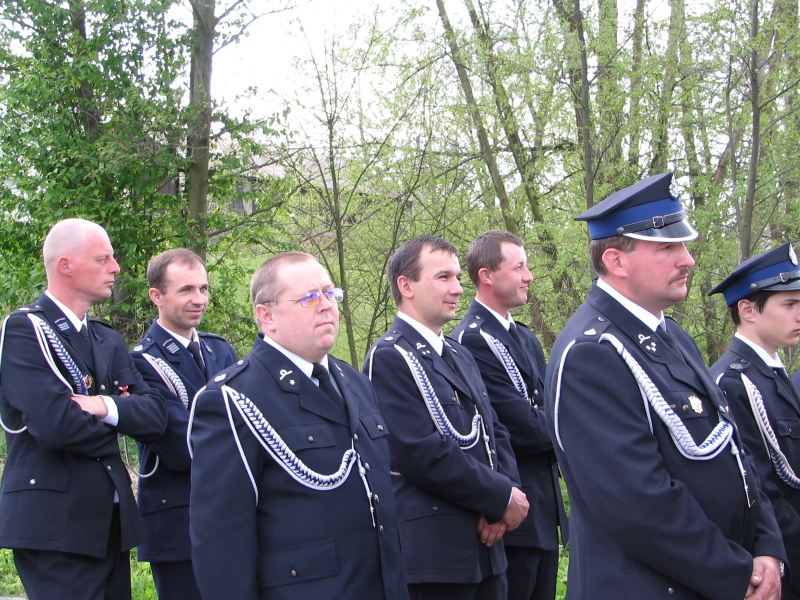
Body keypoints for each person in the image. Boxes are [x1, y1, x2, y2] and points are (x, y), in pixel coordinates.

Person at [544, 173, 785, 599]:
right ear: (616, 261)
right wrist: (735, 573)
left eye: (684, 246)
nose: (687, 259)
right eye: (667, 248)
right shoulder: (591, 354)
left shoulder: (672, 336)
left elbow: (735, 452)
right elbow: (637, 503)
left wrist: (767, 546)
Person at [188, 251, 407, 599]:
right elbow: (221, 543)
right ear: (267, 316)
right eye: (309, 298)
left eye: (330, 294)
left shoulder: (354, 382)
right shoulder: (233, 399)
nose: (326, 306)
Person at [0, 218, 167, 600]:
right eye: (102, 258)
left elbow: (155, 417)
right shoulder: (27, 330)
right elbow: (56, 426)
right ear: (66, 265)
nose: (116, 268)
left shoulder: (105, 338)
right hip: (55, 521)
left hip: (109, 518)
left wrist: (102, 406)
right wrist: (121, 420)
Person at [364, 235, 529, 600]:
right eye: (443, 277)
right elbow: (420, 452)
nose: (457, 288)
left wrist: (506, 496)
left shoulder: (458, 353)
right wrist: (498, 496)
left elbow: (494, 430)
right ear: (406, 285)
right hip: (437, 556)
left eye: (457, 277)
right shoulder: (390, 358)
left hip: (487, 549)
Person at [452, 231, 565, 600]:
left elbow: (552, 409)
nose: (528, 276)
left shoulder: (525, 338)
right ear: (487, 275)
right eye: (518, 268)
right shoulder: (472, 340)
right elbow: (524, 427)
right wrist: (563, 426)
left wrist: (556, 421)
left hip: (543, 509)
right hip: (511, 513)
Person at [130, 248, 237, 599]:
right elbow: (181, 443)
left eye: (203, 289)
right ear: (156, 296)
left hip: (232, 515)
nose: (199, 299)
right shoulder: (143, 362)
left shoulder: (220, 351)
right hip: (178, 520)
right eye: (186, 290)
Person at [709, 242, 800, 599]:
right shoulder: (732, 382)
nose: (799, 314)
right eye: (790, 304)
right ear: (748, 310)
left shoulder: (774, 375)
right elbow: (760, 490)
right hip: (780, 566)